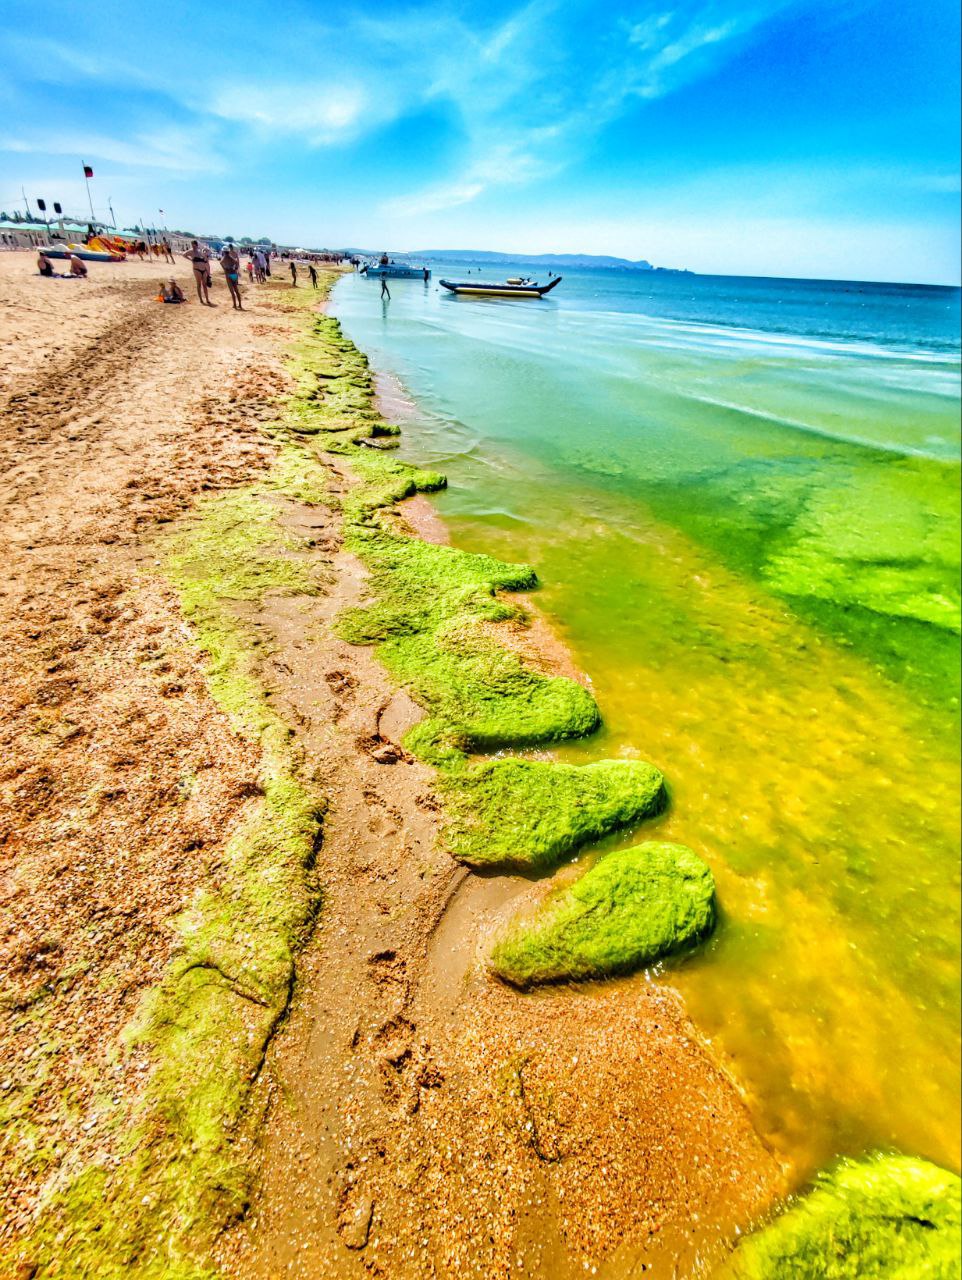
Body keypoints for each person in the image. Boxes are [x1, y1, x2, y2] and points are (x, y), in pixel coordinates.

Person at [183, 239, 213, 305]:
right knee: (199, 284)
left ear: (196, 245)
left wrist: (208, 273)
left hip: (203, 270)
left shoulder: (200, 252)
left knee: (204, 285)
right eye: (192, 245)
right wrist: (191, 259)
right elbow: (184, 254)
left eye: (194, 245)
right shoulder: (191, 251)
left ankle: (207, 299)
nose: (193, 246)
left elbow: (206, 260)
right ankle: (201, 300)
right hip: (197, 269)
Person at [220, 244, 243, 310]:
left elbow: (221, 263)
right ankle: (240, 305)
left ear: (224, 252)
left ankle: (234, 305)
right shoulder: (231, 257)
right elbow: (237, 263)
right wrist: (235, 268)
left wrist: (225, 269)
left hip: (228, 274)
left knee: (232, 291)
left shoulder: (224, 258)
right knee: (236, 289)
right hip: (233, 273)